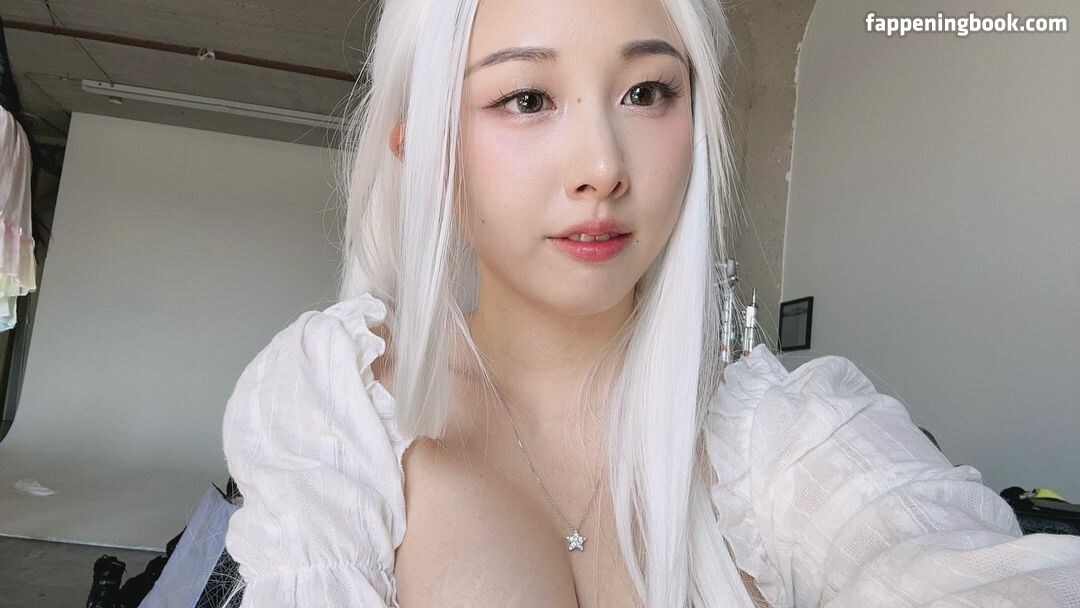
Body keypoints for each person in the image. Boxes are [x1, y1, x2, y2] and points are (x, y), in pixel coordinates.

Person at [220, 0, 1080, 606]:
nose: (602, 166)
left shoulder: (779, 434)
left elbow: (936, 560)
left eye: (647, 92)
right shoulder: (340, 400)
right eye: (527, 99)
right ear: (425, 153)